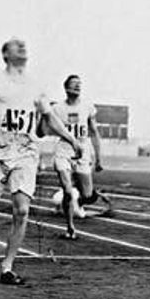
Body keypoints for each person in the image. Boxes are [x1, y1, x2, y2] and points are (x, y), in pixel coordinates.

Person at [0, 37, 82, 285]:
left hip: (25, 153)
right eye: (15, 44)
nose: (22, 46)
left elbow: (50, 117)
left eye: (24, 44)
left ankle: (7, 266)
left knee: (22, 210)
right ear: (5, 54)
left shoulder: (36, 86)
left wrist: (70, 139)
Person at [51, 74, 110, 239]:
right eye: (74, 84)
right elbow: (47, 127)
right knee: (67, 191)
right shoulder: (57, 108)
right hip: (64, 150)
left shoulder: (87, 107)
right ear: (66, 87)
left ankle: (75, 194)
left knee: (87, 195)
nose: (78, 87)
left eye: (80, 84)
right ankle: (70, 228)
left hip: (83, 152)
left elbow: (95, 133)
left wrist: (98, 158)